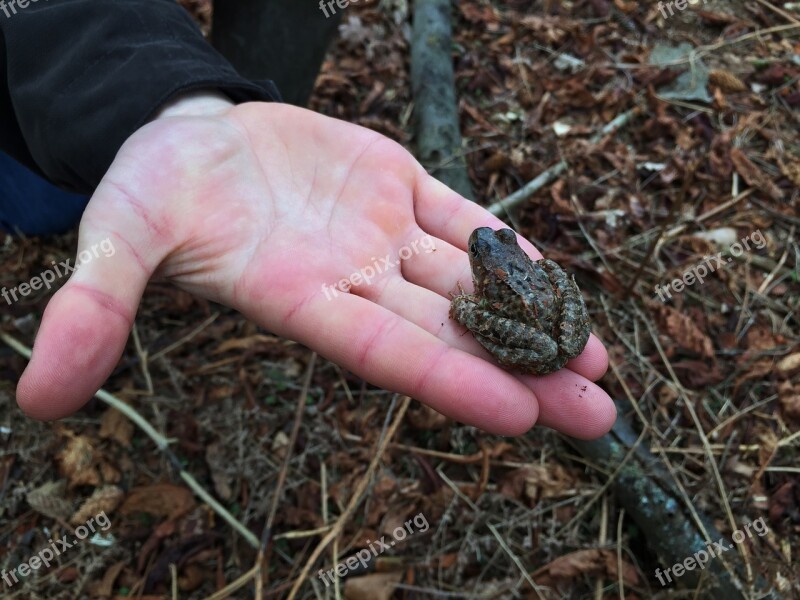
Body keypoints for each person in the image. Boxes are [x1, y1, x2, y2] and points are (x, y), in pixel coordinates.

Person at [0, 1, 615, 438]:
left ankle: (229, 91)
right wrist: (181, 114)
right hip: (52, 70)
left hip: (529, 313)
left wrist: (196, 101)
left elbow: (482, 306)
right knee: (43, 204)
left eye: (491, 244)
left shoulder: (486, 281)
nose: (485, 246)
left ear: (492, 256)